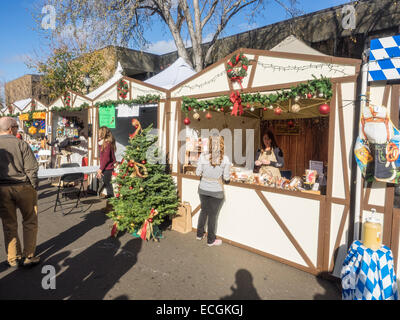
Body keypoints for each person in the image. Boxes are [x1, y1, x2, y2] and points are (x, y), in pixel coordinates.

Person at [0, 117, 40, 268]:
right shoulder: (21, 144)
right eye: (16, 126)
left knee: (9, 224)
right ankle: (28, 256)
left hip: (2, 189)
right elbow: (32, 169)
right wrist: (34, 186)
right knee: (30, 220)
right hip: (23, 186)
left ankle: (12, 258)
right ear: (11, 128)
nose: (17, 129)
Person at [196, 135, 231, 247]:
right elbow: (226, 178)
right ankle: (211, 240)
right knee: (212, 215)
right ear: (221, 145)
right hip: (216, 191)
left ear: (210, 144)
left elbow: (197, 173)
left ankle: (199, 234)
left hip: (203, 189)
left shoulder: (202, 156)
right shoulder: (225, 159)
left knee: (203, 211)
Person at [97, 126, 116, 212]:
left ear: (103, 133)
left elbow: (106, 159)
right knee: (108, 186)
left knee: (109, 187)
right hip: (107, 168)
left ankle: (110, 206)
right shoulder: (106, 143)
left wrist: (100, 169)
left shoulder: (107, 144)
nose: (98, 134)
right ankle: (109, 206)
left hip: (107, 168)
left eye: (99, 132)